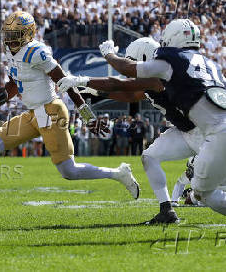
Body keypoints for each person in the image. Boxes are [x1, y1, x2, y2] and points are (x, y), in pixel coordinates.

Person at [0, 11, 139, 222]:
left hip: (51, 111)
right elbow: (15, 82)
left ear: (28, 33)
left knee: (69, 171)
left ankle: (118, 173)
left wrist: (87, 115)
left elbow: (65, 82)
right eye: (9, 33)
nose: (11, 38)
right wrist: (2, 96)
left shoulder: (36, 51)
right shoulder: (10, 51)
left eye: (16, 33)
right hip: (33, 113)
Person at [58, 19, 226, 222]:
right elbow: (129, 95)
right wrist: (93, 90)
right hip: (186, 131)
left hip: (203, 132)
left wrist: (86, 76)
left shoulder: (161, 73)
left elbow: (122, 81)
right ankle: (167, 210)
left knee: (207, 190)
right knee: (150, 156)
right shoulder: (183, 68)